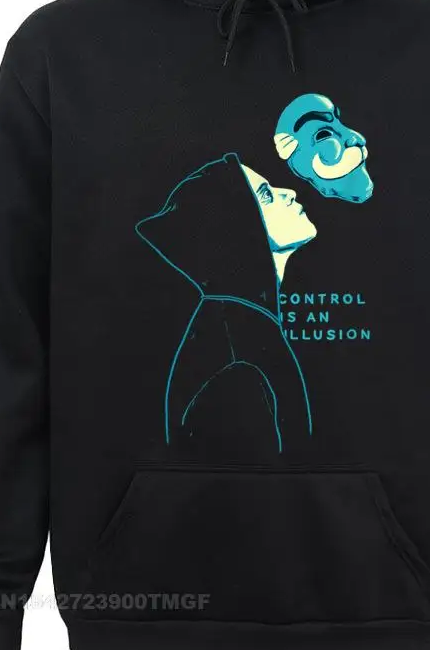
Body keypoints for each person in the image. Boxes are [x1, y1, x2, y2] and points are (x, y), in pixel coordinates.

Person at [135, 152, 315, 453]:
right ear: (236, 226)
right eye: (266, 196)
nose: (289, 192)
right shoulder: (239, 346)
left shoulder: (238, 322)